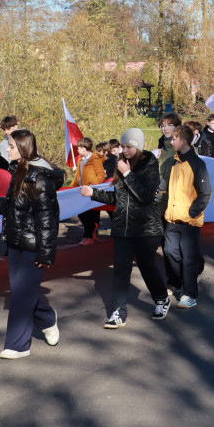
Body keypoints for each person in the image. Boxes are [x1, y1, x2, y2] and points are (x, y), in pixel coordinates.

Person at [0, 130, 62, 359]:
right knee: (21, 292)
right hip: (15, 241)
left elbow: (47, 218)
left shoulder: (39, 178)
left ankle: (18, 346)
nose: (6, 150)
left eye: (10, 146)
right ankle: (47, 318)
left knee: (19, 296)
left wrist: (45, 254)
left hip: (32, 246)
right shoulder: (18, 171)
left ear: (23, 148)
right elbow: (14, 204)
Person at [83, 128, 169, 325]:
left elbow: (145, 196)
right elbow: (118, 198)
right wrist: (93, 193)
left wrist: (128, 173)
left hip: (145, 228)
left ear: (137, 146)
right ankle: (118, 313)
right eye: (123, 146)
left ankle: (161, 299)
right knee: (121, 271)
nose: (124, 150)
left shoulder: (149, 164)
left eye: (129, 146)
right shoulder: (122, 165)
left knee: (147, 268)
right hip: (123, 228)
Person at [161, 125, 212, 308]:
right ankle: (179, 283)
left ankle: (189, 294)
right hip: (172, 219)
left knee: (189, 258)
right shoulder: (175, 163)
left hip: (190, 221)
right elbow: (167, 186)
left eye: (174, 139)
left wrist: (191, 213)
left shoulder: (197, 163)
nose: (171, 141)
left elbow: (206, 193)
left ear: (183, 141)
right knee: (170, 253)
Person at [68, 137, 106, 246]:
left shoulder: (95, 159)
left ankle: (89, 235)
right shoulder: (80, 160)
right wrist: (70, 189)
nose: (77, 151)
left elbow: (101, 174)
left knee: (90, 214)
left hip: (91, 192)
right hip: (81, 192)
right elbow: (77, 178)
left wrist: (92, 184)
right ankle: (92, 230)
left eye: (79, 149)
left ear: (84, 149)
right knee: (80, 212)